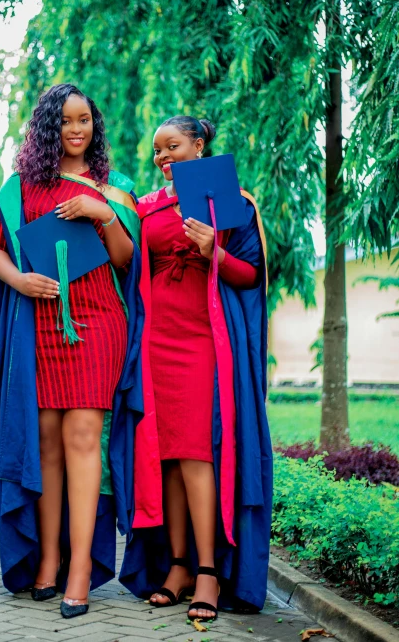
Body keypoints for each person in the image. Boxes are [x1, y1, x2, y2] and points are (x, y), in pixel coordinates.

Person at [0, 83, 142, 619]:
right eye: (65, 120)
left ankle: (82, 569)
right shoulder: (21, 188)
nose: (75, 129)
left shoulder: (114, 188)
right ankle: (47, 560)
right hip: (38, 327)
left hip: (97, 323)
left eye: (84, 119)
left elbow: (126, 261)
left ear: (95, 125)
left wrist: (99, 210)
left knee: (84, 438)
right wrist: (19, 281)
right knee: (45, 443)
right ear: (48, 126)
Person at [120, 115, 272, 620]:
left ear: (199, 145)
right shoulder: (147, 207)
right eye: (157, 152)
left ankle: (209, 572)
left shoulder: (231, 203)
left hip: (203, 341)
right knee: (165, 456)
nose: (163, 158)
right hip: (155, 341)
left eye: (173, 147)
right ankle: (179, 566)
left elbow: (251, 276)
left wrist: (216, 252)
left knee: (197, 455)